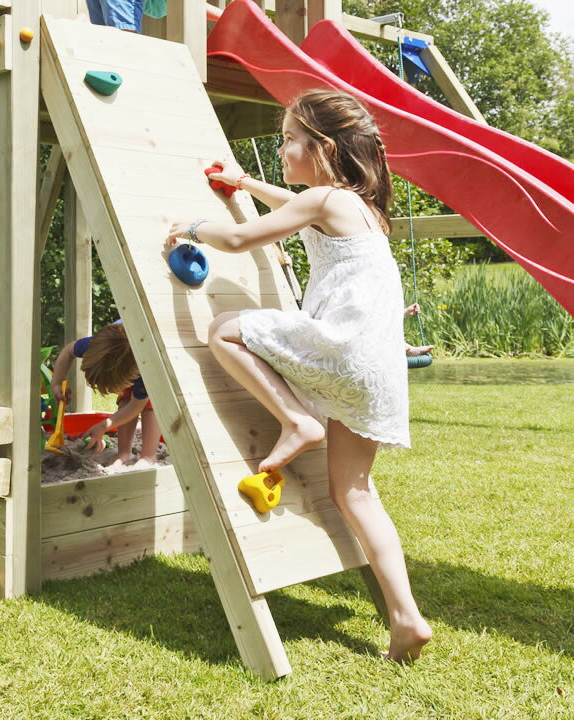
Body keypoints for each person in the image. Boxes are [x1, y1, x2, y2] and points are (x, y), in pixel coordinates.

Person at [166, 90, 432, 662]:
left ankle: (295, 422)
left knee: (224, 332)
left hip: (342, 350)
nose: (281, 150)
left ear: (323, 148)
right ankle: (407, 619)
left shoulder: (323, 199)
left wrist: (191, 224)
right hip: (376, 366)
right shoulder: (361, 210)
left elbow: (239, 238)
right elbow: (294, 202)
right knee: (355, 493)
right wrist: (244, 182)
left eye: (289, 139)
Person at [51, 320, 161, 470]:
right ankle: (123, 453)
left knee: (150, 405)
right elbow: (68, 352)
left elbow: (135, 407)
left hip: (155, 353)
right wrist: (57, 383)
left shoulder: (145, 365)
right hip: (128, 351)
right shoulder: (93, 347)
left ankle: (149, 456)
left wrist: (104, 426)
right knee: (125, 399)